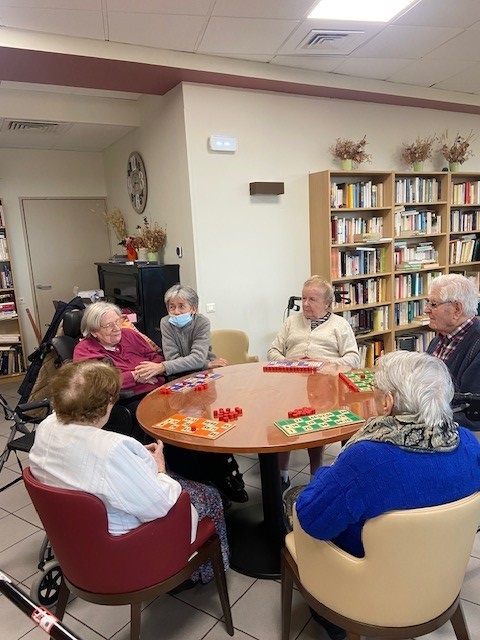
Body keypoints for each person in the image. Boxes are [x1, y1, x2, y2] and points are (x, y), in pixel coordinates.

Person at [295, 350, 480, 640]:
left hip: (369, 577)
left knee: (298, 506)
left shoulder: (367, 459)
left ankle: (334, 620)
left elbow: (312, 520)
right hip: (441, 572)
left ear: (387, 402)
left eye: (376, 391)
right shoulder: (469, 443)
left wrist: (324, 475)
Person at [29, 360, 230, 587]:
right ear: (106, 404)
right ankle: (198, 573)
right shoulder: (112, 448)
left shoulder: (46, 426)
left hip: (75, 536)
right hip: (128, 545)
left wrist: (132, 458)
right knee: (210, 495)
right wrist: (160, 469)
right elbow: (160, 504)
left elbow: (84, 459)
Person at [134, 284, 247, 504]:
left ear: (193, 308)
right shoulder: (166, 323)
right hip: (179, 380)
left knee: (209, 425)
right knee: (185, 428)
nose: (176, 312)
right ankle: (203, 482)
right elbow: (174, 357)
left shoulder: (202, 322)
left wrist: (181, 365)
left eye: (181, 306)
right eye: (171, 307)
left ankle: (226, 476)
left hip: (204, 380)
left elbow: (194, 358)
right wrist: (204, 362)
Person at [267, 275, 360, 489]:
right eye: (303, 298)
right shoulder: (291, 322)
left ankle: (315, 475)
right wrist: (287, 361)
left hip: (325, 384)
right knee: (283, 419)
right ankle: (282, 474)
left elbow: (353, 359)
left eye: (312, 299)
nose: (305, 304)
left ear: (327, 303)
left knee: (316, 422)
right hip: (290, 382)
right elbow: (272, 351)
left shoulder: (340, 325)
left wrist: (324, 363)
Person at [73, 301, 166, 441]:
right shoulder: (84, 350)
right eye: (109, 325)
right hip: (128, 400)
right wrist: (134, 376)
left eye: (117, 322)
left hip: (160, 389)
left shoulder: (130, 334)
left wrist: (153, 368)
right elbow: (97, 384)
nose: (116, 328)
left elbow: (155, 356)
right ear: (94, 331)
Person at [425, 273, 480, 431]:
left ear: (457, 309)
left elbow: (470, 414)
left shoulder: (476, 346)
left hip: (456, 433)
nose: (426, 310)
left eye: (433, 304)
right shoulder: (440, 339)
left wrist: (422, 417)